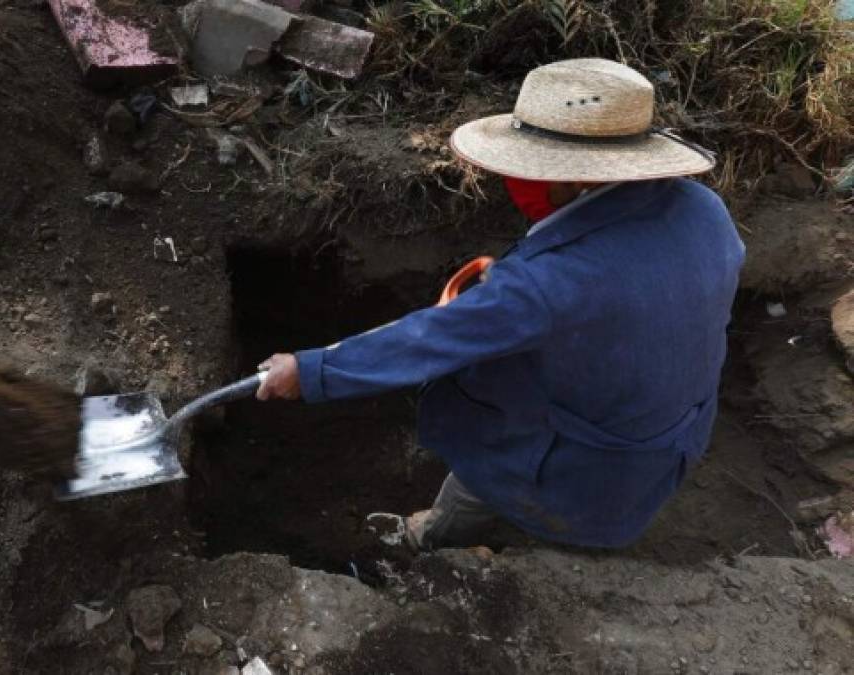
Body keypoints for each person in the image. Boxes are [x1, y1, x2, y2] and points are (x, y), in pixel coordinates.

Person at [254, 58, 745, 551]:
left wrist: (311, 369)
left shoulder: (547, 285)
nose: (512, 181)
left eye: (525, 169)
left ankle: (432, 544)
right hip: (669, 433)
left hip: (581, 472)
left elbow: (428, 340)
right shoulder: (705, 210)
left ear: (576, 180)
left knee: (492, 500)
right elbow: (630, 298)